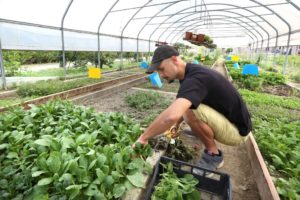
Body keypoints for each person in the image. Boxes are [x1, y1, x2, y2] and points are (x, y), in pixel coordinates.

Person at [135, 45, 252, 173]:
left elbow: (171, 116)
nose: (161, 75)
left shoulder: (195, 79)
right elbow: (176, 116)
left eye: (161, 69)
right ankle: (201, 131)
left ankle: (213, 156)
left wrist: (143, 138)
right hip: (230, 122)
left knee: (189, 110)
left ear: (174, 59)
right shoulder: (191, 72)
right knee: (186, 106)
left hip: (237, 133)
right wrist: (176, 124)